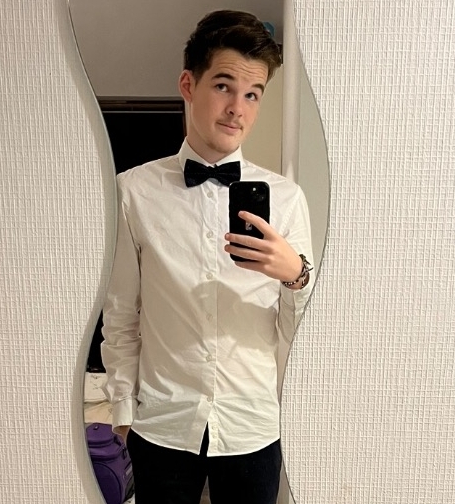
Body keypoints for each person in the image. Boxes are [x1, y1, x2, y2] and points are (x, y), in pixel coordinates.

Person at [101, 9, 314, 504]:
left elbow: (301, 333)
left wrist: (296, 276)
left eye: (253, 94)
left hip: (252, 424)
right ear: (188, 85)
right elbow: (122, 314)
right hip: (162, 423)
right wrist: (122, 410)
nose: (237, 108)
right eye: (223, 86)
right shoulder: (133, 193)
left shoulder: (287, 199)